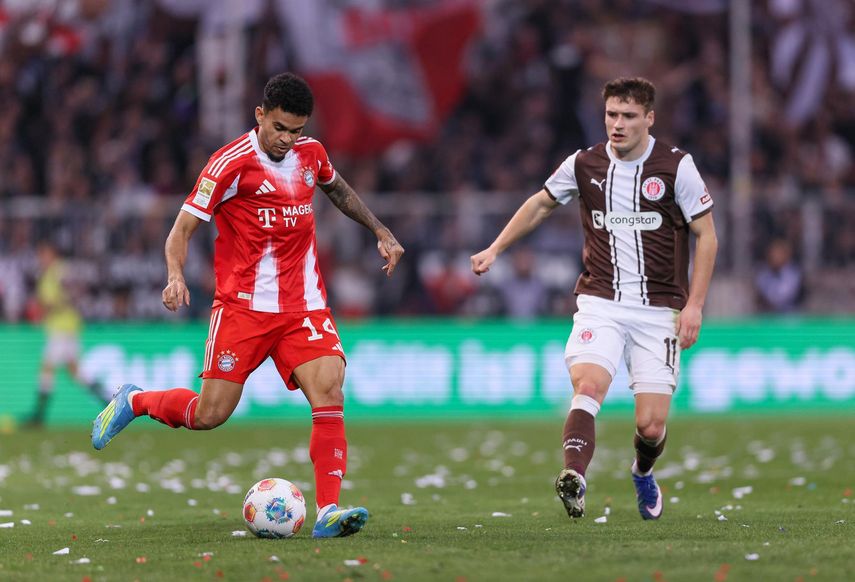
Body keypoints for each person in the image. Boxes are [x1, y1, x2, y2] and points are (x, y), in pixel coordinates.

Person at [91, 73, 404, 538]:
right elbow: (180, 231)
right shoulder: (228, 165)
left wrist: (379, 229)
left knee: (330, 390)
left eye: (296, 130)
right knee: (210, 414)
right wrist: (175, 275)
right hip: (243, 307)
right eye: (280, 128)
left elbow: (335, 188)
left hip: (303, 305)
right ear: (260, 115)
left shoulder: (309, 155)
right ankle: (135, 401)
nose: (287, 139)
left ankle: (328, 512)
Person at [471, 77, 717, 520]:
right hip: (600, 302)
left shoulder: (676, 167)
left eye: (627, 116)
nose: (617, 125)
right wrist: (495, 248)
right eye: (611, 115)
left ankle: (642, 472)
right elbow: (540, 204)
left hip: (659, 310)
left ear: (649, 118)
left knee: (651, 425)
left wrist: (695, 304)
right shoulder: (583, 164)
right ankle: (574, 476)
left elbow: (707, 235)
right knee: (588, 386)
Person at [27, 242, 108, 427]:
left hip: (63, 328)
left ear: (53, 253)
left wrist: (49, 307)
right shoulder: (49, 274)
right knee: (76, 372)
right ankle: (109, 401)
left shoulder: (60, 271)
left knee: (47, 367)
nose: (42, 258)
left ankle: (38, 416)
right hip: (64, 327)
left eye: (44, 254)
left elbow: (72, 294)